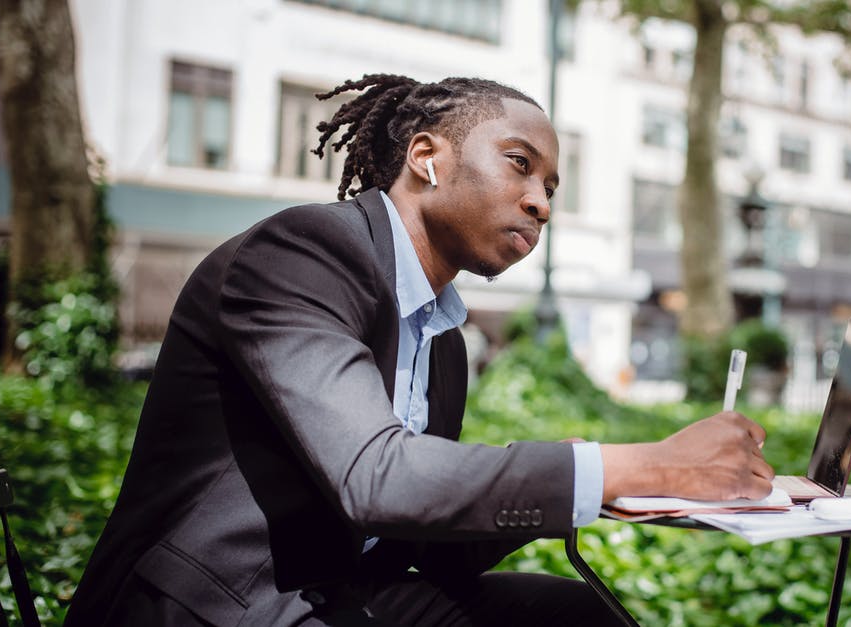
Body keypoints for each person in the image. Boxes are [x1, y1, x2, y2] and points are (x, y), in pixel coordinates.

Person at [64, 74, 774, 626]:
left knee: (571, 614)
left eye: (551, 187)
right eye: (520, 165)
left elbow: (418, 538)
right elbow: (378, 477)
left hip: (341, 593)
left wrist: (633, 484)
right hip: (215, 602)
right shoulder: (303, 254)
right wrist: (627, 466)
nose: (541, 204)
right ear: (426, 158)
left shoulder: (443, 343)